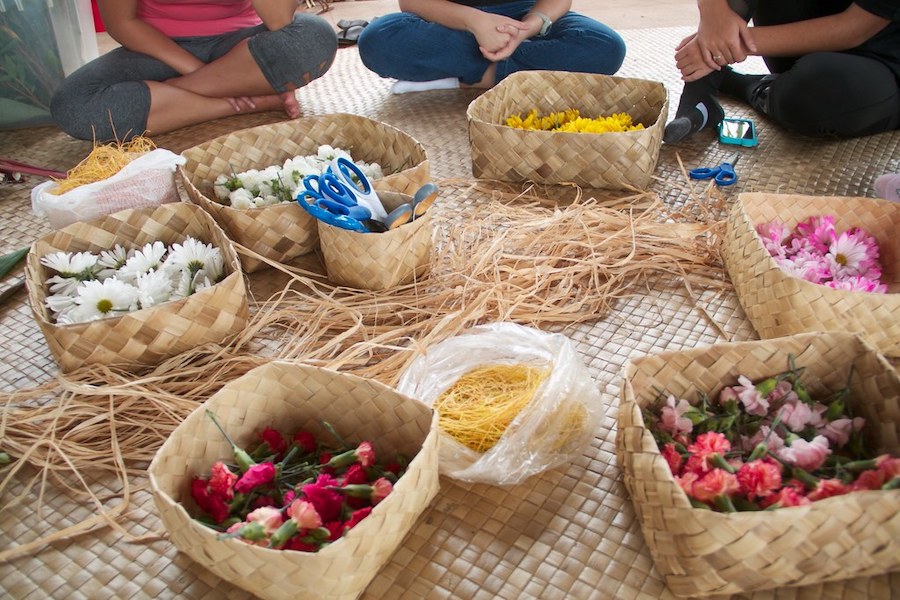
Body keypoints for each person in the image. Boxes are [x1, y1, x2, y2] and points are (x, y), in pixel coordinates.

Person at [51, 0, 338, 141]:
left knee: (314, 37)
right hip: (156, 49)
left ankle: (175, 99)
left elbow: (278, 20)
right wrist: (200, 73)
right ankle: (247, 102)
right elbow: (121, 23)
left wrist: (182, 85)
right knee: (73, 105)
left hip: (240, 50)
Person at [664, 0, 900, 143]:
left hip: (882, 69)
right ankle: (701, 91)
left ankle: (750, 87)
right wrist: (713, 18)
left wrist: (730, 44)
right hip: (799, 41)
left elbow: (853, 29)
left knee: (815, 92)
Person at [356, 0, 626, 94]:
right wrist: (476, 22)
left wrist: (526, 29)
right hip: (450, 18)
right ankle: (523, 68)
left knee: (605, 47)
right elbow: (413, 3)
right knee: (378, 39)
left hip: (525, 15)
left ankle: (471, 77)